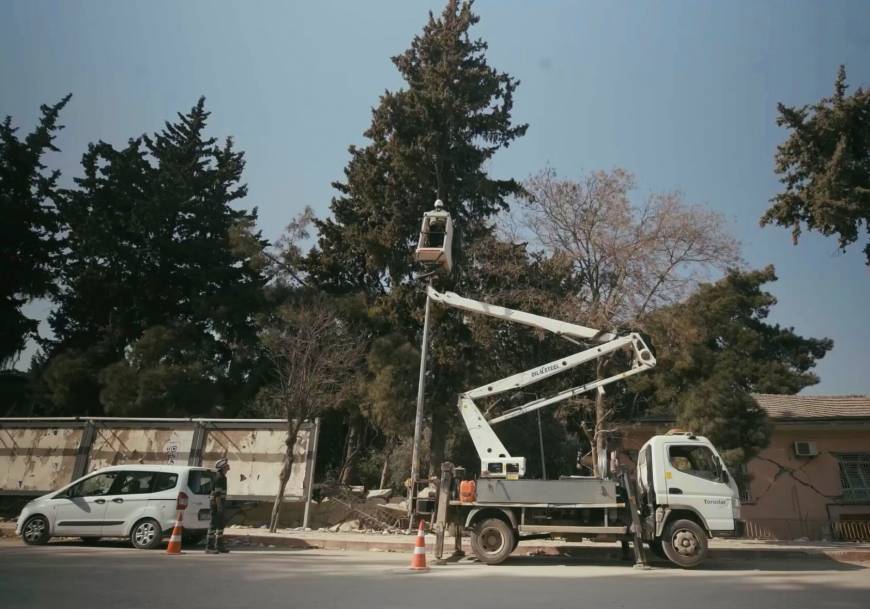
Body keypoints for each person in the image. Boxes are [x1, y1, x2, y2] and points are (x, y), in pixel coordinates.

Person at [206, 458, 230, 554]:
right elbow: (217, 494)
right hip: (216, 504)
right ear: (222, 467)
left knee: (220, 525)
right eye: (226, 465)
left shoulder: (223, 477)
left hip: (220, 504)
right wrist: (219, 507)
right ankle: (209, 547)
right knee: (213, 525)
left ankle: (219, 546)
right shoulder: (219, 477)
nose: (228, 467)